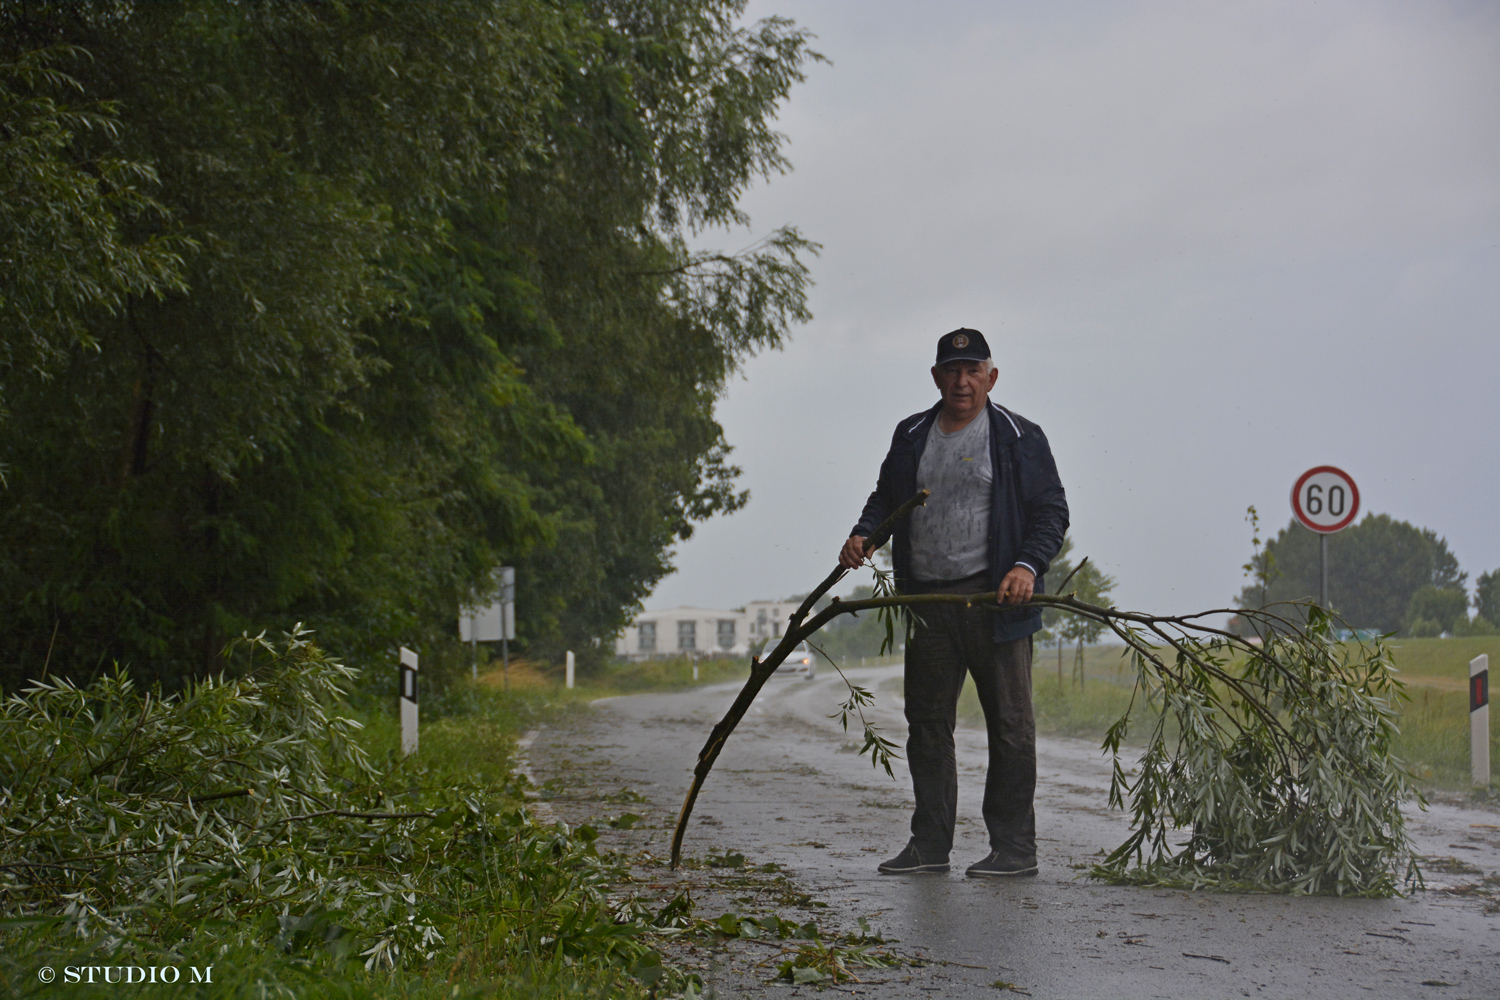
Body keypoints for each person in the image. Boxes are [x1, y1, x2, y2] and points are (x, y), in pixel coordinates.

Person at [840, 327, 1068, 877]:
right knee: (927, 725)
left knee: (1010, 727)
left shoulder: (1019, 436)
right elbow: (886, 499)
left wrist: (1026, 567)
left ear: (992, 376)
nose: (962, 382)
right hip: (929, 603)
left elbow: (1051, 512)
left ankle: (1014, 850)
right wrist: (864, 534)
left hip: (996, 603)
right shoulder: (913, 433)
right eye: (952, 371)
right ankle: (930, 847)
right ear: (937, 377)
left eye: (973, 371)